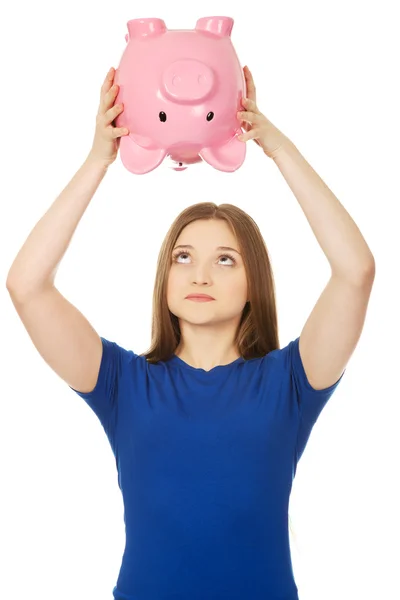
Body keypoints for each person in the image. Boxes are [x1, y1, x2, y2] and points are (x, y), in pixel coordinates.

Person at [6, 65, 375, 600]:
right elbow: (26, 285)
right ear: (166, 277)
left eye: (225, 260)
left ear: (255, 284)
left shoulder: (291, 383)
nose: (200, 273)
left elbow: (355, 270)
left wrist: (276, 146)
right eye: (184, 257)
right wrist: (98, 160)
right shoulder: (122, 384)